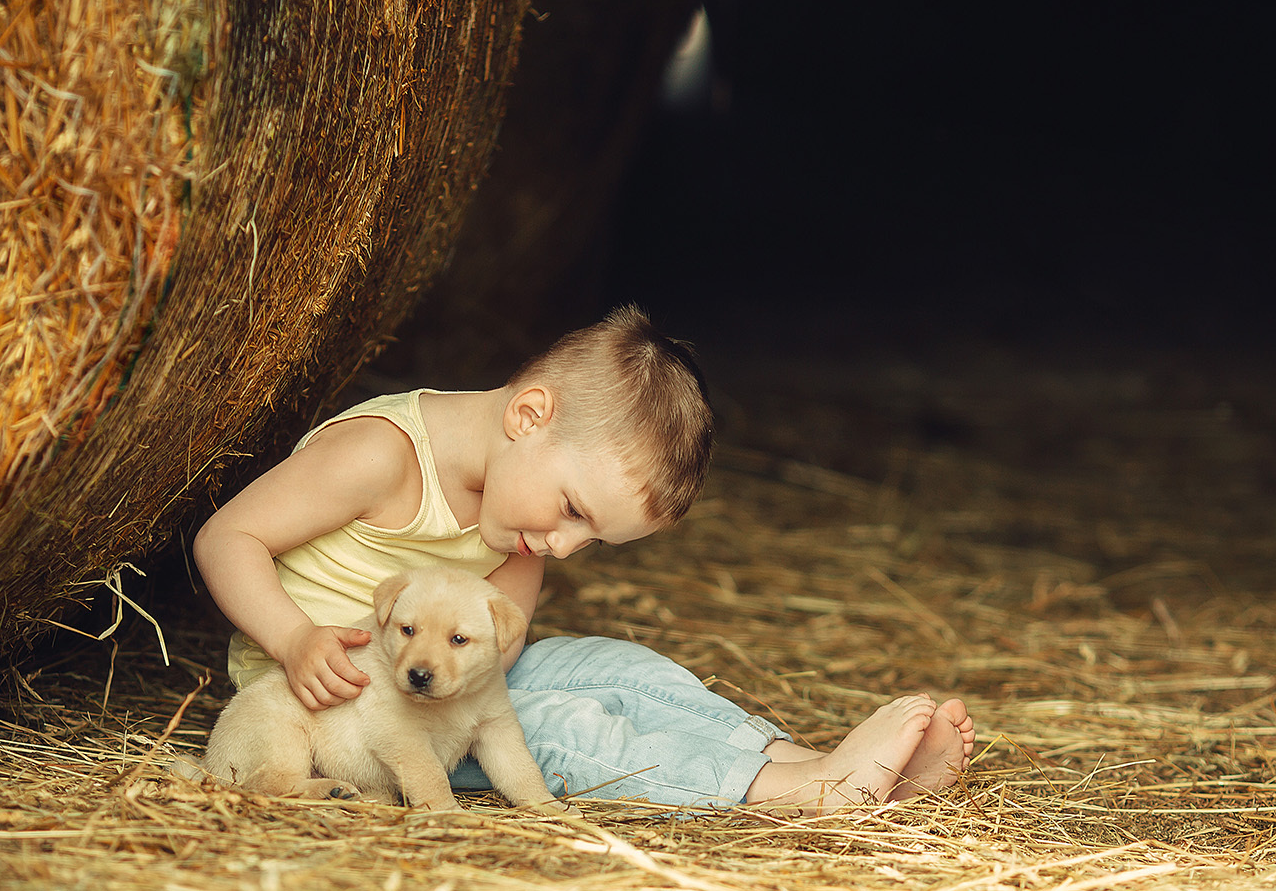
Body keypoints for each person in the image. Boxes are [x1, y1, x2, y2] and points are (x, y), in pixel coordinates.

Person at [194, 305, 974, 811]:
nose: (567, 545)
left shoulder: (518, 529)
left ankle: (815, 758)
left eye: (591, 538)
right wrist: (294, 639)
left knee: (629, 671)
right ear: (530, 415)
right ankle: (803, 792)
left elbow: (507, 650)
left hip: (451, 683)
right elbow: (225, 538)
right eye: (572, 511)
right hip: (336, 709)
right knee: (567, 728)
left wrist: (498, 660)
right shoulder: (376, 458)